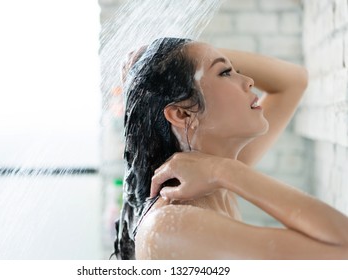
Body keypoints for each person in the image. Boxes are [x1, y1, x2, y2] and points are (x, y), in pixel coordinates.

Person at [112, 37, 348, 260]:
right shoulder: (169, 226)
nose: (249, 81)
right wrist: (224, 171)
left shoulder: (207, 180)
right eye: (225, 72)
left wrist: (179, 54)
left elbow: (294, 80)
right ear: (182, 113)